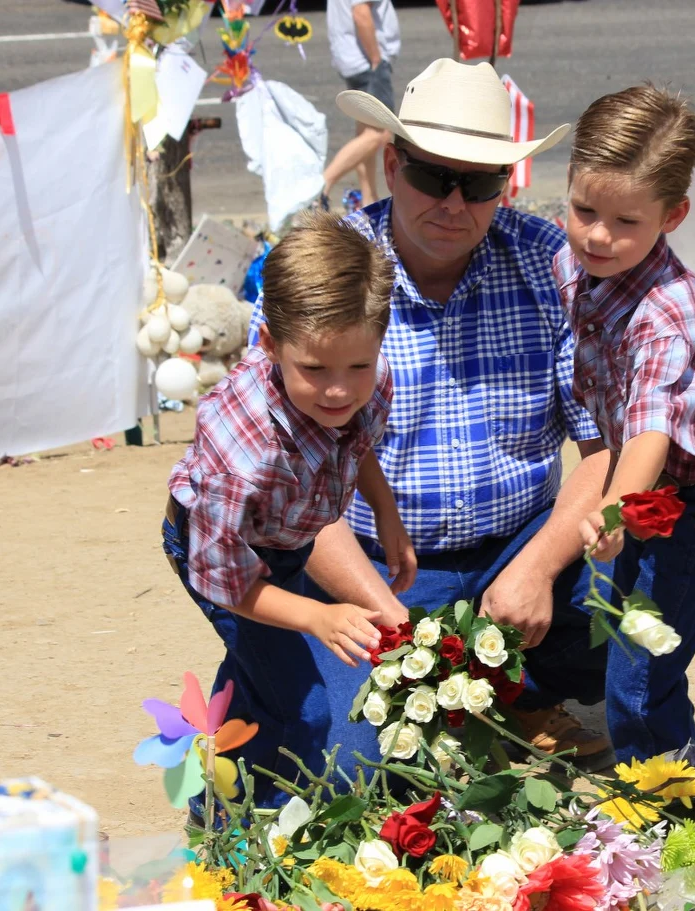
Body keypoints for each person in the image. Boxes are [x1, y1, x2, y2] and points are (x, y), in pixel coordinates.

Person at [248, 59, 616, 769]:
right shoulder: (330, 271)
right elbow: (290, 489)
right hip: (370, 569)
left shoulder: (551, 264)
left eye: (478, 183)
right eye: (431, 176)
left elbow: (603, 448)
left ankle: (513, 691)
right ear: (391, 163)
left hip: (518, 547)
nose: (453, 203)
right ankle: (469, 696)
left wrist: (537, 568)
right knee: (357, 763)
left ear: (504, 185)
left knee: (658, 569)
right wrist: (389, 622)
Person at [162, 213, 414, 808]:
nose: (338, 391)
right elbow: (227, 583)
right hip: (221, 550)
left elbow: (357, 441)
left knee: (263, 666)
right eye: (314, 370)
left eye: (359, 365)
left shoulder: (364, 384)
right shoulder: (238, 445)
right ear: (270, 343)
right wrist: (313, 617)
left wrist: (385, 510)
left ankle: (214, 768)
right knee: (301, 709)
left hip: (289, 535)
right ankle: (247, 825)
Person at [556, 85, 695, 764]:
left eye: (625, 222)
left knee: (640, 682)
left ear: (672, 216)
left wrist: (614, 510)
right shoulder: (573, 262)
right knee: (611, 615)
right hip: (641, 491)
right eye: (584, 209)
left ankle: (680, 818)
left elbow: (650, 428)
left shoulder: (669, 313)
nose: (597, 235)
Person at [323, 0, 401, 205]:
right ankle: (322, 184)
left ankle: (369, 199)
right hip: (366, 61)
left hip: (353, 58)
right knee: (379, 133)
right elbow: (360, 13)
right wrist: (376, 59)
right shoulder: (371, 60)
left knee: (365, 132)